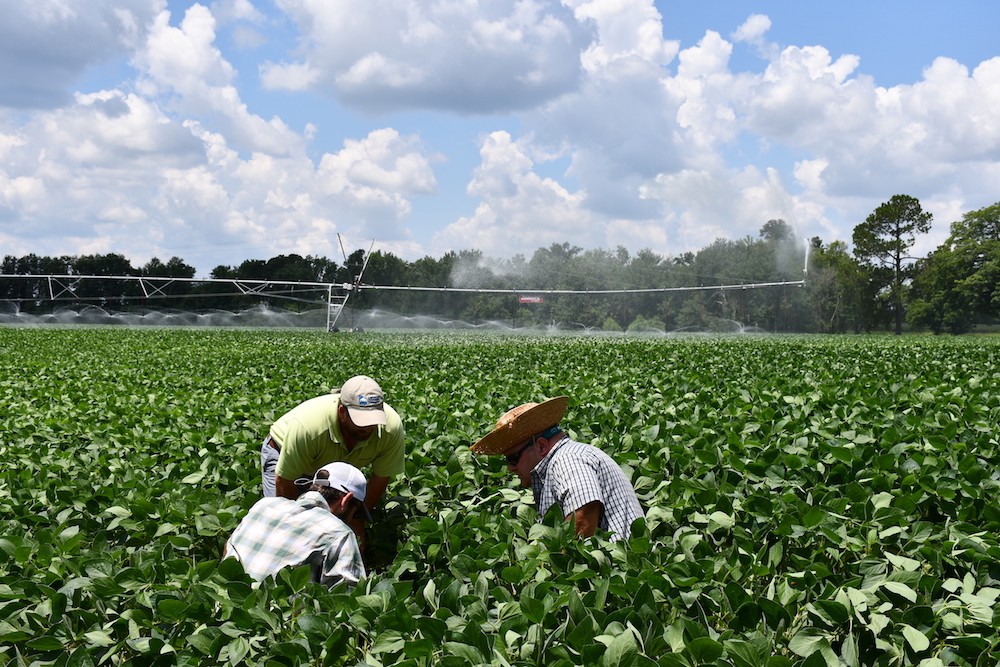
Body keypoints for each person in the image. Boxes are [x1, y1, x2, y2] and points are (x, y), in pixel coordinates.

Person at [471, 396, 644, 541]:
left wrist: (561, 571)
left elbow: (583, 518)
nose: (510, 468)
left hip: (622, 575)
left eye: (513, 458)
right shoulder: (566, 458)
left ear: (540, 446)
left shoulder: (567, 459)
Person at [260, 375, 404, 514]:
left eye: (373, 420)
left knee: (335, 518)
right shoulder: (309, 427)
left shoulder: (390, 429)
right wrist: (291, 519)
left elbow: (381, 478)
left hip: (330, 466)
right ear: (342, 412)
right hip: (283, 453)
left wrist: (358, 518)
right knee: (282, 517)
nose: (368, 427)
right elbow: (284, 480)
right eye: (361, 421)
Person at [225, 462, 368, 589]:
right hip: (276, 617)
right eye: (356, 513)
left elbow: (228, 551)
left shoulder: (264, 505)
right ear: (346, 500)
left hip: (224, 608)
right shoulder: (339, 533)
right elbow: (347, 598)